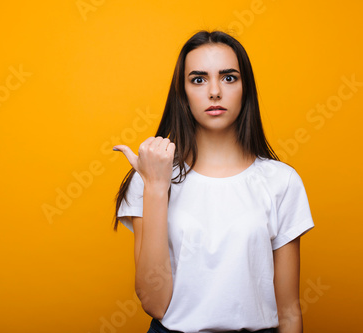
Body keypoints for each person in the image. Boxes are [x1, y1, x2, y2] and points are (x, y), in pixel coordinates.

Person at [111, 30, 315, 333]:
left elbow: (288, 310)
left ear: (246, 88)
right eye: (198, 79)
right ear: (182, 93)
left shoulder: (281, 181)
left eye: (229, 77)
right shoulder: (150, 178)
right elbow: (154, 303)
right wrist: (155, 187)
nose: (215, 91)